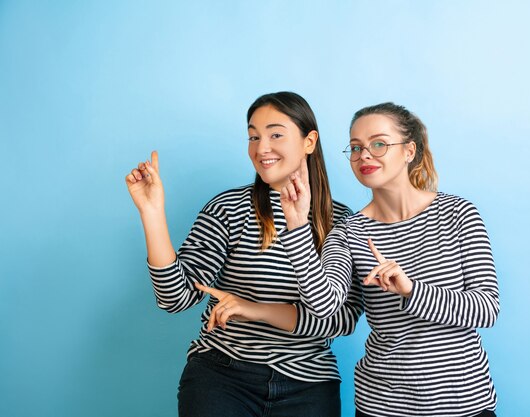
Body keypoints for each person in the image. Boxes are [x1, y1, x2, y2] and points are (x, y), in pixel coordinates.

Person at [124, 91, 363, 417]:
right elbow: (174, 298)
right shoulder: (228, 209)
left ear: (309, 141)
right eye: (253, 136)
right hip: (222, 375)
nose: (261, 148)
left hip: (309, 384)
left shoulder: (342, 222)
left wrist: (257, 309)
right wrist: (152, 213)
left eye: (275, 134)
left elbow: (341, 319)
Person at [279, 102, 499, 417]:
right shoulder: (348, 232)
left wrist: (412, 290)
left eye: (378, 144)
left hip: (464, 404)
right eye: (356, 148)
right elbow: (323, 304)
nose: (364, 155)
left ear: (409, 151)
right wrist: (297, 224)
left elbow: (486, 309)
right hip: (383, 405)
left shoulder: (459, 214)